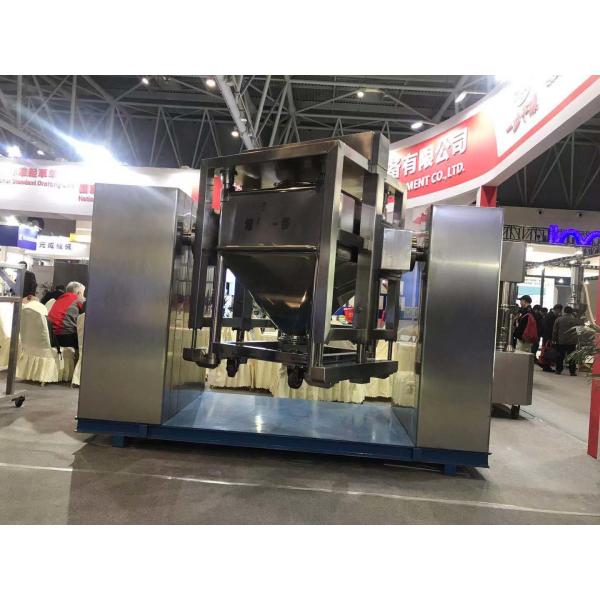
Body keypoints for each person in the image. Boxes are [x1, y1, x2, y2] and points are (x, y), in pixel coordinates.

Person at [48, 281, 85, 349]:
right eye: (83, 294)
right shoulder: (77, 299)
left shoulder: (59, 299)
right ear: (79, 293)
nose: (83, 296)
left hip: (51, 336)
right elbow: (87, 312)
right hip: (66, 337)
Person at [552, 306, 581, 376]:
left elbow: (555, 331)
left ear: (564, 311)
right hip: (572, 342)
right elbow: (578, 331)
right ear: (571, 312)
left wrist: (553, 339)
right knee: (572, 357)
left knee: (560, 356)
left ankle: (558, 370)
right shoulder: (575, 320)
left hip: (561, 341)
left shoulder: (558, 319)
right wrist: (578, 340)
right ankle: (572, 372)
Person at [538, 304, 563, 372]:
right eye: (560, 310)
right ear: (557, 309)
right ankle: (546, 366)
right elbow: (550, 327)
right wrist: (552, 338)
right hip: (548, 337)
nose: (560, 312)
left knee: (547, 350)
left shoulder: (549, 315)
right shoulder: (551, 316)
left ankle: (546, 366)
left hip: (546, 336)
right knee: (548, 351)